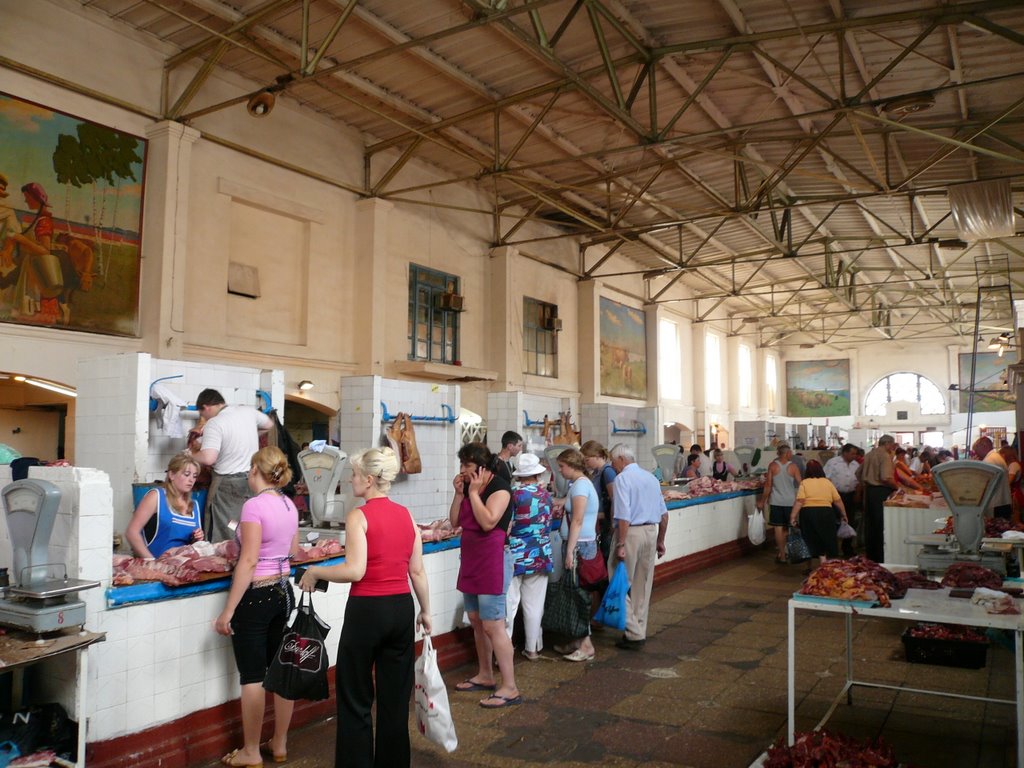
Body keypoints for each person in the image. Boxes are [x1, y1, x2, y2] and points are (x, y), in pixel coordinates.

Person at [298, 447, 431, 768]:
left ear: (369, 480)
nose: (351, 480)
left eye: (355, 475)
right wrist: (425, 611)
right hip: (401, 609)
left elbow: (355, 571)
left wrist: (315, 572)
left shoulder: (359, 515)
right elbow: (417, 570)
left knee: (355, 697)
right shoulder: (406, 515)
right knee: (394, 701)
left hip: (367, 612)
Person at [213, 446, 299, 768]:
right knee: (279, 671)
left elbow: (248, 561)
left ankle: (250, 752)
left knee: (252, 675)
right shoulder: (290, 505)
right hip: (282, 592)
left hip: (257, 594)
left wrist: (228, 611)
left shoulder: (253, 507)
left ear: (255, 471)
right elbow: (292, 551)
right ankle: (279, 743)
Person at [448, 442, 520, 708]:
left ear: (481, 466)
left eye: (466, 465)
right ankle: (486, 674)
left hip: (493, 560)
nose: (462, 471)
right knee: (476, 620)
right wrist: (459, 494)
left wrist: (475, 493)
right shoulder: (467, 488)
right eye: (461, 465)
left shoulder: (500, 488)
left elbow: (489, 521)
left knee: (493, 625)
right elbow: (455, 521)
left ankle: (510, 686)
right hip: (471, 559)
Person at [192, 388, 273, 543]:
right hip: (251, 480)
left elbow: (208, 458)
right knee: (245, 524)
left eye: (202, 414)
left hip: (227, 486)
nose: (203, 418)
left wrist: (190, 455)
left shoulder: (215, 423)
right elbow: (269, 424)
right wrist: (247, 436)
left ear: (206, 407)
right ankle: (247, 559)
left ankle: (226, 563)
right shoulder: (247, 411)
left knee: (227, 527)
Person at [609, 443, 668, 650]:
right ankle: (638, 630)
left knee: (617, 582)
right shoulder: (651, 478)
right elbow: (664, 514)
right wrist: (661, 540)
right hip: (651, 531)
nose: (612, 465)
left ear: (622, 459)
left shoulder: (622, 478)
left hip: (631, 533)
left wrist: (621, 543)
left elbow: (623, 515)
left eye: (613, 460)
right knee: (643, 585)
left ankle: (633, 631)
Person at [504, 453, 552, 661]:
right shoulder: (545, 495)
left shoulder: (512, 494)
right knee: (534, 605)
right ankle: (532, 649)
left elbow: (506, 526)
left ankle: (503, 652)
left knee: (509, 605)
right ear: (537, 474)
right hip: (540, 554)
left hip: (515, 555)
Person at [553, 448, 599, 662]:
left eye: (561, 466)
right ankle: (576, 639)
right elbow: (566, 503)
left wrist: (570, 550)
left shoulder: (580, 485)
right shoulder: (579, 485)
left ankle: (586, 645)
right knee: (574, 592)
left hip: (580, 545)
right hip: (579, 544)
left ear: (571, 465)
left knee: (578, 594)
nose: (560, 470)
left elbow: (578, 520)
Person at [124, 453, 204, 559]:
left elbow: (189, 545)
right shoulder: (156, 497)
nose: (191, 480)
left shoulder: (194, 506)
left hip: (183, 567)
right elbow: (131, 532)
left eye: (194, 476)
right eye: (186, 474)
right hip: (158, 566)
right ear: (171, 475)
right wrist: (152, 562)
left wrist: (196, 539)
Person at [790, 460, 847, 567]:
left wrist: (793, 516)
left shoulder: (804, 483)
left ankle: (809, 567)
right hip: (826, 513)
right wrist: (844, 514)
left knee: (809, 538)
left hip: (808, 514)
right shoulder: (827, 482)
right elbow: (837, 500)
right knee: (825, 537)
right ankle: (824, 564)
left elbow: (800, 501)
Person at [757, 444, 802, 564]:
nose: (791, 454)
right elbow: (801, 484)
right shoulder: (793, 467)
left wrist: (762, 501)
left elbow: (768, 485)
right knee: (789, 527)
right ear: (787, 454)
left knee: (778, 528)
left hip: (776, 501)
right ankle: (787, 550)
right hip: (790, 502)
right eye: (790, 452)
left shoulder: (772, 466)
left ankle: (782, 555)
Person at [859, 434, 898, 563]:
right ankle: (880, 557)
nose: (893, 448)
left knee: (870, 526)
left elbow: (857, 473)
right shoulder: (885, 456)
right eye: (892, 445)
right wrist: (897, 487)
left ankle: (871, 556)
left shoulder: (869, 454)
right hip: (881, 492)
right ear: (887, 443)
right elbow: (885, 477)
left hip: (869, 492)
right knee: (881, 525)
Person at [581, 440, 616, 564]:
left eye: (587, 460)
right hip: (599, 521)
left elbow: (614, 499)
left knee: (606, 556)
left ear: (597, 456)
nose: (586, 463)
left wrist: (612, 524)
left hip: (606, 522)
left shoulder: (607, 472)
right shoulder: (596, 473)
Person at [824, 444, 860, 558]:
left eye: (855, 454)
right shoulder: (833, 463)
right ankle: (832, 550)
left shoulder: (856, 465)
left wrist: (857, 493)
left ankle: (847, 549)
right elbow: (826, 479)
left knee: (849, 521)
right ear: (845, 452)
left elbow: (859, 480)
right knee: (834, 522)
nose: (854, 456)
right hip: (836, 496)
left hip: (850, 496)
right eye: (852, 453)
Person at [973, 436, 1012, 518]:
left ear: (984, 445)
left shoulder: (988, 460)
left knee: (997, 528)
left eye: (976, 449)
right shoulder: (996, 457)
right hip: (1003, 501)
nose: (976, 453)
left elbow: (981, 484)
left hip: (995, 504)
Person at [1000, 445, 1024, 523]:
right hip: (1015, 493)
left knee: (1016, 520)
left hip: (1015, 495)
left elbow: (1009, 481)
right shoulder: (1014, 464)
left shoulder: (1013, 465)